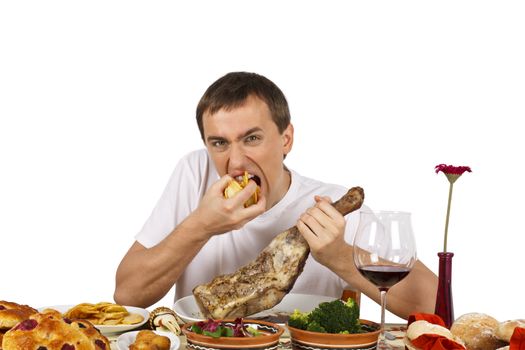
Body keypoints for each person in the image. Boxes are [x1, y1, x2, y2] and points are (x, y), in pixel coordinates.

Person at [114, 72, 438, 319]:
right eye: (219, 143)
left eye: (251, 138)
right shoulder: (195, 174)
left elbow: (436, 305)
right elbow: (128, 294)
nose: (236, 162)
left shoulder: (332, 206)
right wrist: (201, 226)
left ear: (286, 139)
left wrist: (339, 255)